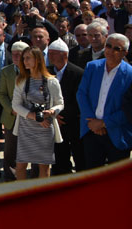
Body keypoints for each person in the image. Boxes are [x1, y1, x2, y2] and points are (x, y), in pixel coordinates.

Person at [75, 33, 132, 169]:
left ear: (125, 52)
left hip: (118, 134)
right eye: (108, 46)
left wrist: (104, 123)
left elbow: (129, 107)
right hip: (91, 131)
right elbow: (82, 94)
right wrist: (92, 122)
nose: (111, 51)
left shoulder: (130, 74)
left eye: (116, 49)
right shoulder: (92, 67)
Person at [12, 47, 64, 179]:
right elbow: (15, 105)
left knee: (44, 166)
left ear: (38, 59)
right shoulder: (21, 80)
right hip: (26, 128)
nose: (25, 61)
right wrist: (33, 116)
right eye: (24, 58)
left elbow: (60, 103)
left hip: (45, 127)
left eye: (28, 58)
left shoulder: (52, 81)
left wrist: (52, 110)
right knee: (20, 165)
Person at [46, 39, 84, 174]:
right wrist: (54, 116)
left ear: (65, 55)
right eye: (49, 53)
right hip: (54, 121)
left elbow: (78, 100)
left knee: (79, 154)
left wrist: (61, 116)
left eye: (54, 53)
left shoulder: (78, 73)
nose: (50, 56)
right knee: (59, 156)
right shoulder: (46, 71)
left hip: (73, 121)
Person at [0, 40, 29, 181]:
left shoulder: (33, 70)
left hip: (29, 116)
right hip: (12, 116)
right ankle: (9, 177)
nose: (15, 57)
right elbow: (1, 94)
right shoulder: (6, 71)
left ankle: (31, 176)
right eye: (13, 54)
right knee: (10, 150)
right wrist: (11, 109)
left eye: (19, 54)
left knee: (30, 148)